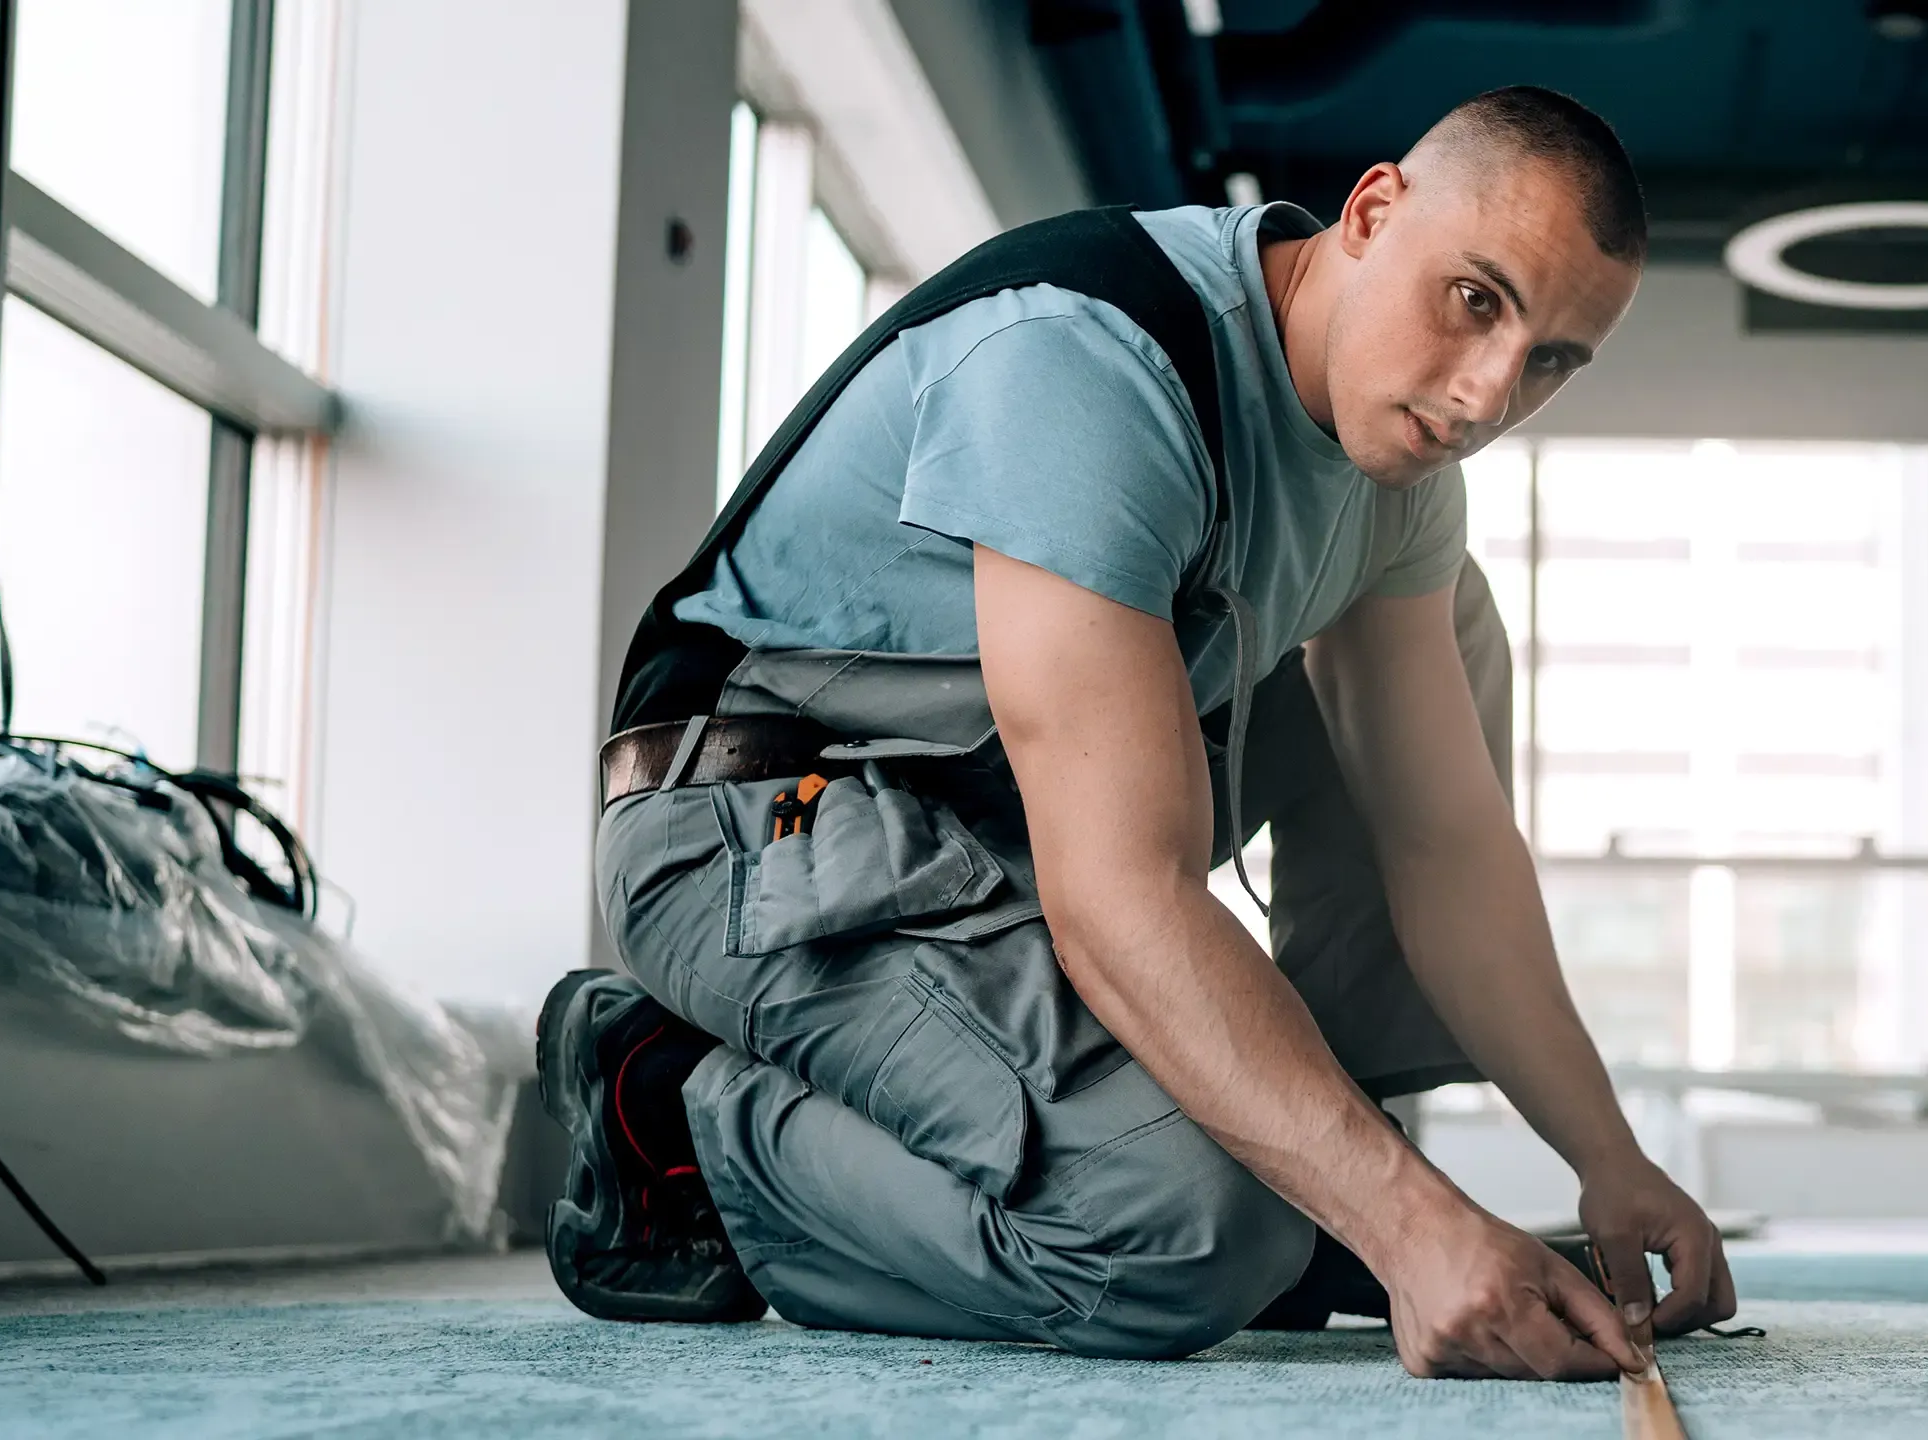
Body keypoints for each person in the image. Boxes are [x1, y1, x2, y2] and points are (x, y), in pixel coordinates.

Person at [540, 84, 1737, 1381]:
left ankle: (1318, 1165)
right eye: (1476, 299)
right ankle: (676, 1110)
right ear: (1372, 212)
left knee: (1450, 621)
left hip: (990, 839)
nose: (1490, 392)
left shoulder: (1396, 475)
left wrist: (1609, 1158)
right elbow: (1120, 898)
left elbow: (1441, 843)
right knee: (1188, 1238)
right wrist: (1409, 1224)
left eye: (1551, 359)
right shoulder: (1092, 365)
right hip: (750, 832)